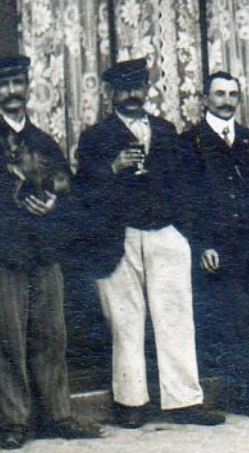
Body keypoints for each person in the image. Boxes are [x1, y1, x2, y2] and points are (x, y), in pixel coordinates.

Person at [0, 55, 102, 450]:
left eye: (18, 83)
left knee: (51, 336)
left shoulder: (44, 141)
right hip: (3, 255)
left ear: (27, 87)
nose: (12, 92)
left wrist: (55, 204)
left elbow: (68, 189)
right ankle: (15, 421)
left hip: (44, 253)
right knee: (8, 339)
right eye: (4, 85)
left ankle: (58, 413)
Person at [74, 58, 223, 428]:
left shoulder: (165, 130)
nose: (132, 96)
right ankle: (131, 402)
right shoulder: (96, 137)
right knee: (126, 321)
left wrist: (184, 231)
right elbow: (80, 193)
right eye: (124, 89)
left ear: (147, 89)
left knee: (175, 316)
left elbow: (185, 184)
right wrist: (113, 168)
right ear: (111, 93)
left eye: (138, 87)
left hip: (164, 232)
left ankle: (184, 400)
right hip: (118, 236)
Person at [186, 70, 249, 420]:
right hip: (217, 248)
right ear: (205, 99)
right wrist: (202, 244)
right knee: (222, 318)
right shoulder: (191, 142)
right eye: (219, 94)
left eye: (232, 94)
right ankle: (222, 392)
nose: (226, 101)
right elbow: (187, 200)